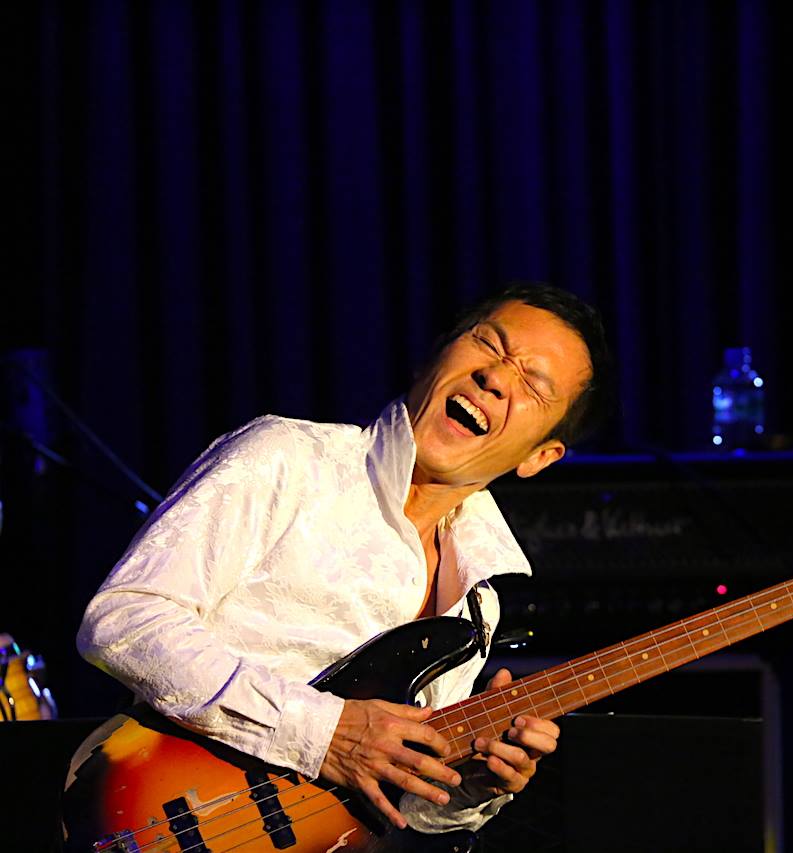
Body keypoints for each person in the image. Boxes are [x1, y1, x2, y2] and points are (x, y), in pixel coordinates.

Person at [76, 283, 613, 836]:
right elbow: (124, 619)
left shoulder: (477, 605)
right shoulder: (287, 459)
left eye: (532, 384)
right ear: (434, 357)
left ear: (540, 456)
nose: (496, 378)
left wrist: (471, 784)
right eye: (489, 345)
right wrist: (322, 732)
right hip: (165, 819)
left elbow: (398, 813)